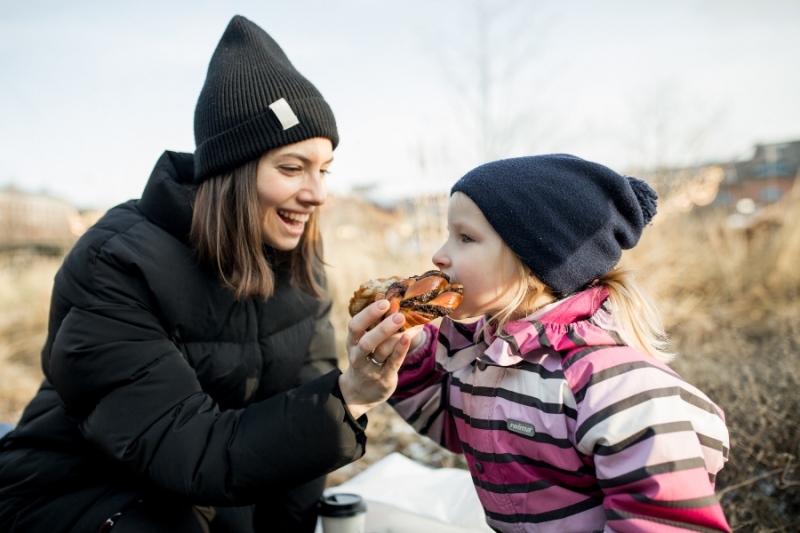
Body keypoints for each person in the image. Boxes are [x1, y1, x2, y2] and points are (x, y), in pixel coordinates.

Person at [0, 15, 415, 533]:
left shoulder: (298, 259)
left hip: (205, 493)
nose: (318, 193)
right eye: (291, 168)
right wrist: (348, 393)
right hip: (79, 495)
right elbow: (186, 448)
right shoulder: (116, 263)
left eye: (324, 168)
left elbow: (294, 449)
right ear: (233, 171)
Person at [390, 154, 731, 532]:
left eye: (466, 237)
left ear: (535, 259)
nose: (439, 255)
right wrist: (408, 352)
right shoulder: (487, 356)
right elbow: (460, 426)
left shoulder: (618, 392)